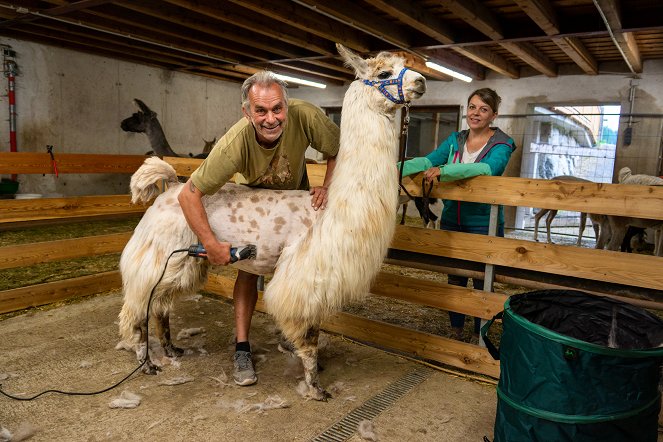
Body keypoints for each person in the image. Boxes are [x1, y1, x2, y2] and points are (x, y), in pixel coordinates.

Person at [178, 71, 339, 386]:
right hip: (254, 210)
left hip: (294, 209)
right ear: (247, 112)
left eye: (277, 109)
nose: (270, 118)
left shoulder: (306, 116)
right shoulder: (234, 144)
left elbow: (337, 149)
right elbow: (189, 194)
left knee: (297, 275)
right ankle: (242, 347)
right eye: (260, 111)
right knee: (249, 273)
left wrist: (328, 186)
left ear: (287, 107)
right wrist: (210, 242)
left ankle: (290, 335)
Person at [399, 88, 516, 341]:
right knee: (455, 276)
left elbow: (488, 168)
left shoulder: (503, 143)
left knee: (482, 280)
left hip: (483, 221)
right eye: (472, 107)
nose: (476, 113)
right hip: (453, 218)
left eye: (483, 109)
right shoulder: (456, 139)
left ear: (493, 115)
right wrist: (394, 169)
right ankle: (455, 329)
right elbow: (428, 161)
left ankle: (479, 332)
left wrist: (445, 170)